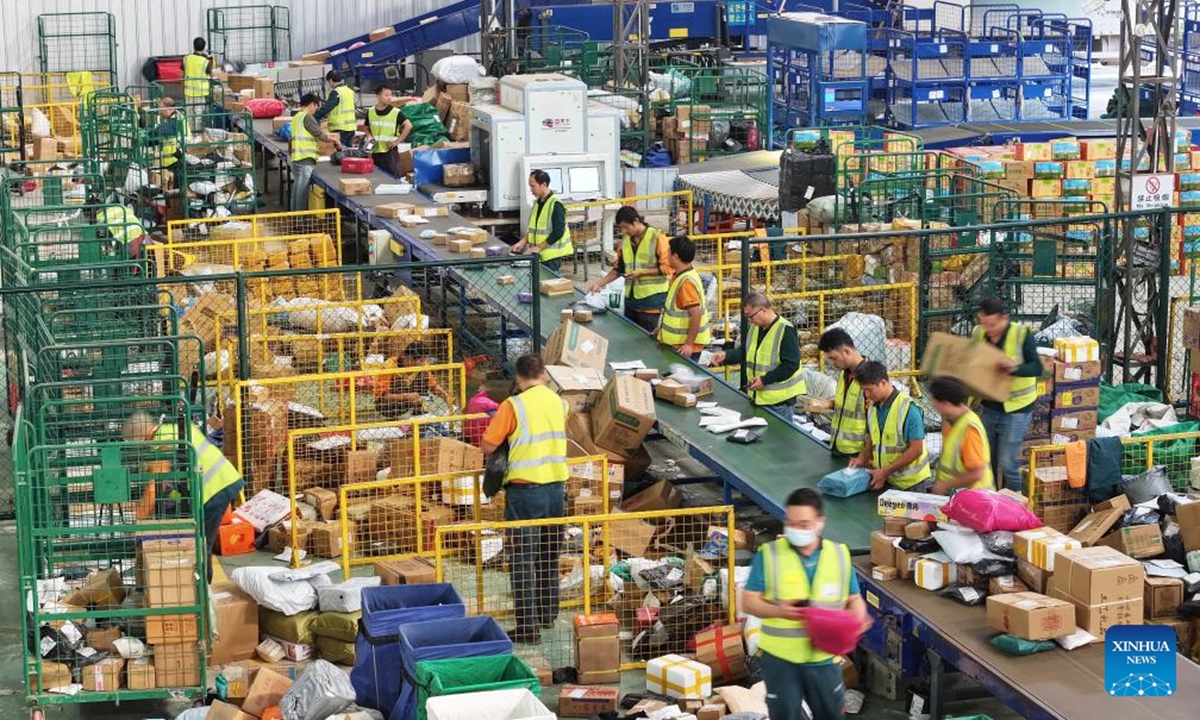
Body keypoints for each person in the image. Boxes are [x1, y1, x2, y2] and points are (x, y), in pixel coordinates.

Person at [741, 488, 870, 720]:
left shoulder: (839, 555)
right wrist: (779, 610)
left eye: (803, 524)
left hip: (824, 659)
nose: (795, 529)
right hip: (780, 660)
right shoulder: (768, 555)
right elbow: (748, 602)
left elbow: (854, 599)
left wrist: (857, 621)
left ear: (820, 523)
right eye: (790, 523)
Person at [480, 354, 569, 644]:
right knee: (548, 555)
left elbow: (488, 444)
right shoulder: (559, 402)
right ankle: (547, 614)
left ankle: (528, 628)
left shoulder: (513, 405)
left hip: (525, 492)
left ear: (518, 378)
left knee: (522, 559)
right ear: (543, 374)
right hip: (556, 490)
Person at [123, 412, 245, 583]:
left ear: (141, 436)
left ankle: (201, 593)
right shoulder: (171, 428)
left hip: (215, 489)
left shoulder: (162, 441)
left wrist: (138, 519)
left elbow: (153, 487)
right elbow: (168, 480)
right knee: (199, 541)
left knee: (201, 544)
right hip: (221, 481)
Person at [972, 297, 1040, 492]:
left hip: (1017, 408)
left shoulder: (1021, 335)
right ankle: (991, 500)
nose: (989, 329)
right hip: (989, 405)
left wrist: (1014, 368)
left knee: (1008, 462)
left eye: (993, 324)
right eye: (984, 324)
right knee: (987, 460)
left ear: (1005, 318)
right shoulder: (978, 333)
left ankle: (1016, 504)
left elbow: (1036, 367)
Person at [711, 292, 805, 418]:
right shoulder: (756, 328)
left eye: (751, 316)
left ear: (763, 310)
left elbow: (791, 365)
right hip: (760, 398)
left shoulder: (785, 330)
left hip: (779, 403)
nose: (750, 321)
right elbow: (745, 351)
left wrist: (765, 380)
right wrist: (726, 356)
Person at [586, 206, 671, 332]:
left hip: (651, 303)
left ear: (636, 221)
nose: (623, 231)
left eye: (625, 227)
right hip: (631, 302)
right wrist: (599, 283)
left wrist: (642, 273)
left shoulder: (657, 238)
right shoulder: (625, 241)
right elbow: (619, 268)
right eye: (621, 228)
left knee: (648, 343)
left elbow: (668, 268)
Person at [849, 361, 930, 492]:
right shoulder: (872, 407)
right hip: (887, 479)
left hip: (911, 485)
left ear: (883, 382)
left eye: (869, 390)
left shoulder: (909, 410)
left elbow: (916, 450)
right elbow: (871, 438)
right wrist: (862, 457)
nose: (867, 395)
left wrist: (885, 472)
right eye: (864, 391)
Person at [928, 376, 995, 495]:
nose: (932, 404)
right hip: (959, 496)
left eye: (935, 402)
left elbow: (977, 473)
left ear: (946, 404)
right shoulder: (953, 421)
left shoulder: (969, 429)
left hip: (974, 500)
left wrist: (945, 485)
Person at [657, 234, 711, 360]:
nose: (666, 256)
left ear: (675, 256)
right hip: (676, 345)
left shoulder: (686, 283)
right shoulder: (682, 275)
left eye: (668, 252)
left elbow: (695, 314)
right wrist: (662, 329)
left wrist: (688, 344)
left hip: (683, 349)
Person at [818, 328, 868, 459]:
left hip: (858, 453)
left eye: (834, 358)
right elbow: (848, 405)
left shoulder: (870, 378)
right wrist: (828, 404)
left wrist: (865, 456)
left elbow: (877, 422)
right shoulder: (843, 374)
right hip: (839, 447)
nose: (833, 363)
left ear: (846, 351)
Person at [512, 170, 573, 274]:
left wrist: (538, 247)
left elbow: (558, 232)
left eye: (533, 186)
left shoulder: (555, 204)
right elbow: (534, 229)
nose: (531, 190)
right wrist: (523, 242)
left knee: (549, 284)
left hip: (550, 257)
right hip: (538, 254)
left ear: (543, 184)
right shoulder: (538, 202)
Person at [290, 93, 342, 212]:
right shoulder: (307, 117)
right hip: (305, 158)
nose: (315, 110)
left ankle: (294, 217)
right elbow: (320, 135)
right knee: (302, 192)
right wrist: (335, 140)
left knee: (297, 190)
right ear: (312, 104)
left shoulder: (297, 117)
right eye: (316, 106)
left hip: (297, 157)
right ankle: (300, 221)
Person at [373, 343, 453, 420]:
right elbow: (382, 396)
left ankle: (418, 411)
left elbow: (433, 386)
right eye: (416, 362)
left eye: (423, 361)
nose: (420, 364)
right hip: (389, 406)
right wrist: (407, 396)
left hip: (411, 399)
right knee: (399, 382)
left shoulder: (423, 365)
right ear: (404, 356)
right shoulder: (389, 366)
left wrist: (445, 395)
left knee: (423, 375)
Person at [365, 86, 412, 177]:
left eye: (390, 95)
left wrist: (397, 142)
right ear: (378, 96)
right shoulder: (370, 112)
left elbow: (408, 126)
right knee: (377, 177)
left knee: (393, 179)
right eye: (386, 95)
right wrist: (369, 136)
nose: (389, 97)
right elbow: (366, 127)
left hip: (390, 152)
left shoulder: (396, 112)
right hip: (376, 151)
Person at [315, 70, 358, 148]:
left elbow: (327, 108)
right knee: (348, 153)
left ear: (331, 80)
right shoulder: (349, 91)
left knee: (340, 153)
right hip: (351, 127)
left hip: (340, 128)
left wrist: (315, 115)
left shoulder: (336, 92)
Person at [149, 97, 185, 190]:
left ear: (168, 109)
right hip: (172, 158)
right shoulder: (174, 118)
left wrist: (147, 137)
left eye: (161, 109)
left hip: (175, 159)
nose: (159, 112)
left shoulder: (175, 121)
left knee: (171, 187)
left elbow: (160, 131)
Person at [465, 374, 508, 445]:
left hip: (473, 438)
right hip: (484, 439)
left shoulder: (473, 400)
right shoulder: (488, 404)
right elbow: (501, 419)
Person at [182, 37, 214, 131]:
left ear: (193, 46)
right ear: (204, 47)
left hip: (188, 93)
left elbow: (182, 75)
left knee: (189, 116)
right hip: (200, 93)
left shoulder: (186, 58)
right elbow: (211, 75)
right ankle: (197, 138)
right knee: (198, 117)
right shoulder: (205, 61)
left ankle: (188, 136)